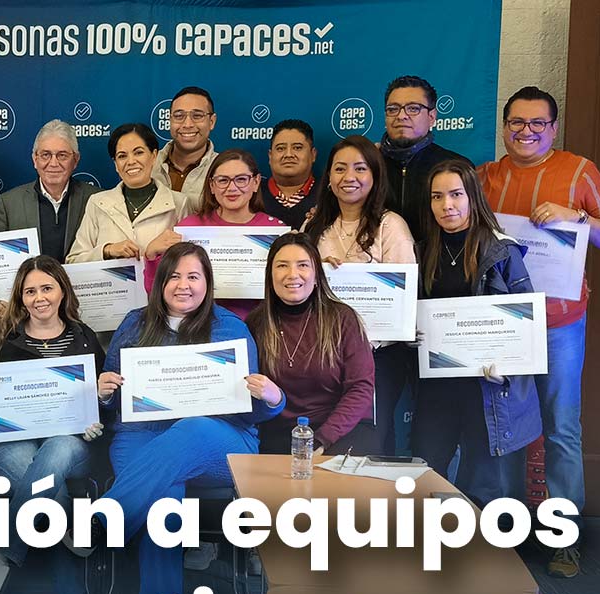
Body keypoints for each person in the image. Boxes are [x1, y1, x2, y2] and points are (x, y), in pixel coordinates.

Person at [478, 86, 600, 578]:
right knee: (505, 426)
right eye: (517, 123)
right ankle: (507, 534)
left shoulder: (579, 171)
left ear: (553, 128)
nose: (526, 132)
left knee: (561, 427)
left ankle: (564, 538)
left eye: (537, 123)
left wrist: (577, 217)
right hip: (504, 322)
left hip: (561, 322)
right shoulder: (485, 177)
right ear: (505, 126)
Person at [88, 242, 284, 594]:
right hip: (143, 436)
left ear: (207, 282)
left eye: (193, 276)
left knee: (193, 428)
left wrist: (273, 399)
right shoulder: (134, 323)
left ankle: (105, 518)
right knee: (163, 497)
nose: (184, 285)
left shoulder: (231, 328)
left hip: (220, 441)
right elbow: (114, 399)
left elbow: (248, 411)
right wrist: (104, 393)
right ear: (160, 282)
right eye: (174, 276)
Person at [0, 256, 105, 594]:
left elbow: (101, 401)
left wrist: (96, 414)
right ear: (20, 296)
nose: (39, 298)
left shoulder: (85, 337)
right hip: (9, 442)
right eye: (30, 291)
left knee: (58, 449)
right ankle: (73, 592)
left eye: (47, 288)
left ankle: (6, 550)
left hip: (71, 443)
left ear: (63, 291)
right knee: (50, 487)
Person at [414, 159, 541, 510]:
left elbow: (527, 323)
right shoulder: (422, 251)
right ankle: (436, 541)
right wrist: (410, 332)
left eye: (456, 194)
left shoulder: (502, 251)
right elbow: (411, 313)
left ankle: (485, 543)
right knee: (427, 472)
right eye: (437, 197)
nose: (447, 205)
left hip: (487, 388)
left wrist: (509, 366)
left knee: (484, 486)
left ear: (473, 197)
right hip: (437, 384)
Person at [304, 135, 417, 455]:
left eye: (360, 168)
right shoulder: (314, 226)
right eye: (340, 169)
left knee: (367, 442)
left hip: (376, 355)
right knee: (325, 438)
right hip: (321, 353)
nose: (349, 177)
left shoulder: (391, 226)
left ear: (375, 176)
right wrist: (317, 271)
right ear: (329, 177)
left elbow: (403, 300)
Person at [246, 233, 375, 454]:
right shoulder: (256, 322)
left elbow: (360, 387)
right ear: (270, 275)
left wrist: (322, 440)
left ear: (316, 276)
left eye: (303, 265)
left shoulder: (342, 318)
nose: (292, 274)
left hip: (340, 430)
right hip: (279, 433)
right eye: (282, 265)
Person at [159, 148, 286, 320]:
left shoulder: (275, 230)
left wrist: (295, 247)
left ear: (256, 182)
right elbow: (160, 290)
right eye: (223, 180)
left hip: (260, 324)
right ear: (212, 185)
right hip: (197, 325)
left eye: (241, 179)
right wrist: (153, 256)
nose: (232, 188)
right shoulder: (189, 228)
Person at [66, 123, 191, 265]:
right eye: (122, 156)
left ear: (154, 156)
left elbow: (188, 261)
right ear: (116, 164)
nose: (131, 161)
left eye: (138, 153)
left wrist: (151, 255)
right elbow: (73, 262)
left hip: (159, 280)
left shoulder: (179, 204)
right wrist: (107, 250)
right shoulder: (97, 203)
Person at [0, 120, 100, 262]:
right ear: (35, 159)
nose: (53, 163)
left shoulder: (97, 199)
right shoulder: (9, 203)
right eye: (45, 155)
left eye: (62, 155)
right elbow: (1, 261)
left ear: (75, 160)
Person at [378, 75, 469, 240]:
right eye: (393, 109)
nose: (401, 116)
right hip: (380, 255)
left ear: (432, 117)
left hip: (437, 255)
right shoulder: (367, 165)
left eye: (413, 108)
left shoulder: (456, 166)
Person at [151, 86, 219, 212]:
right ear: (170, 120)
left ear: (212, 121)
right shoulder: (148, 164)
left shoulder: (224, 169)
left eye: (197, 116)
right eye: (179, 116)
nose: (187, 124)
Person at [260, 119, 319, 229]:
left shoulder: (328, 195)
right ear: (270, 156)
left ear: (313, 155)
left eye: (297, 148)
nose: (288, 154)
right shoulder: (251, 195)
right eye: (280, 148)